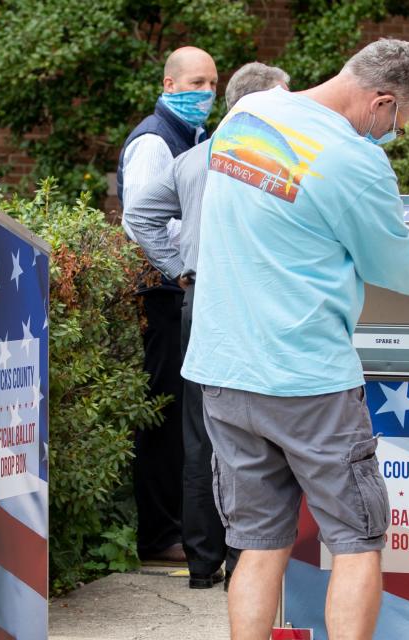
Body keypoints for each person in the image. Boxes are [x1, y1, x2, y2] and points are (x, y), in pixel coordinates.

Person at [181, 39, 409, 640]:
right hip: (308, 379)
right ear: (381, 101)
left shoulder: (246, 115)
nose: (393, 136)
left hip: (224, 370)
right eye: (399, 123)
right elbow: (398, 271)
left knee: (255, 544)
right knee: (356, 541)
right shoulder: (354, 159)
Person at [123, 61, 289, 589]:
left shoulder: (194, 159)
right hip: (253, 301)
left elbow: (138, 216)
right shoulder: (279, 163)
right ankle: (246, 558)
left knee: (200, 432)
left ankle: (201, 564)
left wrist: (182, 269)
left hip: (201, 302)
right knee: (254, 432)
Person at [117, 46, 218, 564]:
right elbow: (141, 220)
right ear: (169, 83)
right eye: (196, 83)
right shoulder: (156, 141)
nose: (206, 94)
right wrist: (181, 272)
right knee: (164, 414)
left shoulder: (192, 137)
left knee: (182, 412)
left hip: (174, 290)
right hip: (163, 295)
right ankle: (159, 534)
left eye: (212, 85)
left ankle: (175, 527)